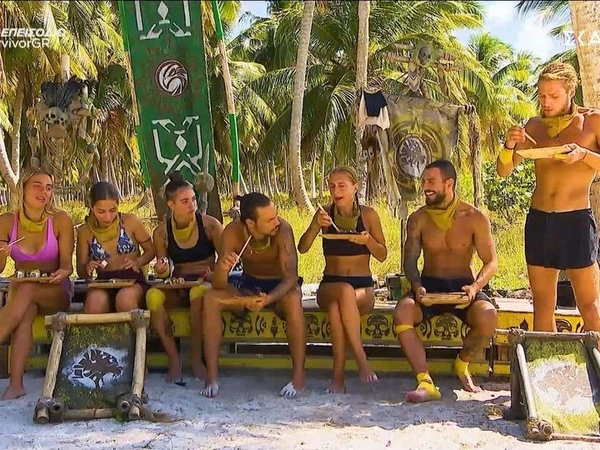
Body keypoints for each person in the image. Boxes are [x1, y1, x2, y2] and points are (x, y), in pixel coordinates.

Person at [497, 62, 600, 333]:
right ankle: (545, 358)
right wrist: (509, 145)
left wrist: (584, 155)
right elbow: (503, 170)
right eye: (542, 95)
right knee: (542, 305)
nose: (546, 102)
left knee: (589, 306)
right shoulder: (534, 126)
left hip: (576, 221)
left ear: (571, 92)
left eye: (553, 96)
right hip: (540, 221)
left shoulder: (592, 122)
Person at [394, 160, 498, 402]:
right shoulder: (418, 218)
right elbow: (409, 260)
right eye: (424, 182)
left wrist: (475, 287)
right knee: (403, 312)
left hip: (464, 286)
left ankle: (462, 364)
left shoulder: (474, 217)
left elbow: (491, 262)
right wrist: (416, 285)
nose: (425, 187)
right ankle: (425, 381)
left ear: (448, 183)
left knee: (488, 316)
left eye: (431, 182)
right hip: (429, 285)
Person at [202, 193, 306, 398]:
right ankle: (211, 377)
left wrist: (267, 299)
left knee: (294, 299)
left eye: (276, 216)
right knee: (210, 299)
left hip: (279, 286)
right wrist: (222, 269)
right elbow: (219, 285)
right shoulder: (232, 233)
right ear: (250, 223)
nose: (276, 222)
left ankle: (299, 378)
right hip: (248, 283)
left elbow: (291, 278)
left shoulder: (283, 231)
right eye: (269, 220)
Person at [298, 166, 387, 393]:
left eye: (341, 186)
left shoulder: (368, 215)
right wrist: (315, 225)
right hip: (331, 284)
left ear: (355, 187)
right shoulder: (324, 214)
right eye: (331, 186)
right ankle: (361, 359)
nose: (335, 191)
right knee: (343, 292)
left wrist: (367, 241)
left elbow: (382, 254)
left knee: (337, 310)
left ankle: (338, 376)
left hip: (362, 287)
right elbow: (303, 247)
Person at [0, 168, 74, 400]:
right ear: (22, 188)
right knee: (25, 312)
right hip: (24, 295)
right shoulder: (6, 221)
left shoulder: (60, 220)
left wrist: (62, 272)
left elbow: (67, 267)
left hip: (55, 290)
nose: (44, 191)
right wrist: (2, 253)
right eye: (37, 186)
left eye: (48, 187)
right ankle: (16, 385)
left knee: (27, 290)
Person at [146, 172, 223, 384]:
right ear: (171, 204)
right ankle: (174, 358)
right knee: (152, 296)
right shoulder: (161, 233)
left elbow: (226, 261)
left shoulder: (210, 225)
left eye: (193, 199)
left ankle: (196, 359)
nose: (192, 205)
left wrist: (215, 273)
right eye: (185, 201)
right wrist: (161, 269)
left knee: (198, 294)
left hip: (204, 282)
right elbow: (163, 270)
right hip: (178, 282)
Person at [76, 181, 155, 313]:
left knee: (125, 300)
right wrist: (88, 268)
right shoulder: (85, 231)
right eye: (101, 211)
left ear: (118, 204)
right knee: (95, 303)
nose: (108, 217)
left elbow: (151, 251)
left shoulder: (130, 222)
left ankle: (136, 327)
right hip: (103, 283)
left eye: (112, 210)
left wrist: (138, 262)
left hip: (132, 281)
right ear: (92, 207)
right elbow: (80, 271)